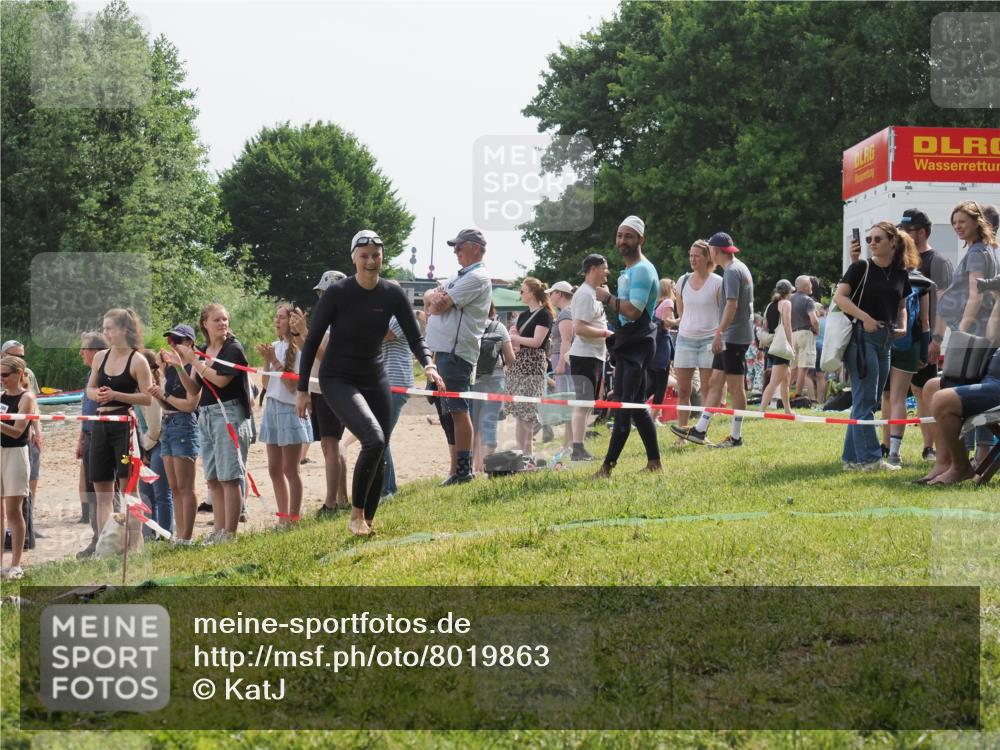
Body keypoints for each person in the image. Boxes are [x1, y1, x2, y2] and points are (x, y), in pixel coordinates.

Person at [296, 230, 444, 537]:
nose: (371, 261)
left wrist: (428, 363)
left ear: (382, 257)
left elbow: (415, 337)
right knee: (373, 438)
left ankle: (367, 522)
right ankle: (356, 516)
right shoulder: (338, 293)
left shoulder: (392, 294)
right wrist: (302, 390)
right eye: (364, 256)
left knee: (380, 446)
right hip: (338, 377)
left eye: (376, 255)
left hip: (374, 376)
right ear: (354, 259)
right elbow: (311, 342)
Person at [834, 222, 916, 471]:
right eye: (869, 239)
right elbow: (839, 297)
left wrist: (903, 326)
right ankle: (870, 459)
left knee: (866, 401)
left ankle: (851, 460)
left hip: (886, 340)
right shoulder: (861, 267)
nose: (872, 243)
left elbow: (902, 307)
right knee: (866, 400)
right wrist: (865, 318)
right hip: (862, 338)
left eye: (878, 239)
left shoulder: (901, 273)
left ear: (893, 242)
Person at [174, 304, 254, 544]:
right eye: (217, 320)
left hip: (228, 413)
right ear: (205, 324)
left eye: (225, 319)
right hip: (206, 415)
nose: (223, 323)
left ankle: (229, 534)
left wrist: (195, 361)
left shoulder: (233, 348)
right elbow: (193, 389)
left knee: (230, 477)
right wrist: (180, 366)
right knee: (214, 478)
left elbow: (220, 381)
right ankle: (218, 531)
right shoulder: (202, 350)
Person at [593, 215, 662, 476]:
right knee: (636, 406)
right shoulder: (629, 271)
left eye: (629, 236)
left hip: (637, 343)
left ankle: (607, 466)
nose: (622, 240)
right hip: (630, 342)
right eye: (620, 235)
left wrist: (607, 298)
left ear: (641, 239)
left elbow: (633, 311)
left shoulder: (642, 270)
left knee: (624, 405)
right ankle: (655, 463)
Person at [423, 228, 492, 485]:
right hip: (442, 353)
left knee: (458, 411)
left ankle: (464, 471)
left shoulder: (477, 276)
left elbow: (437, 305)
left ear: (475, 247)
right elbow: (430, 298)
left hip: (455, 353)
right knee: (446, 413)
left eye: (459, 246)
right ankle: (455, 469)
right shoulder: (459, 276)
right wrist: (434, 298)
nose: (455, 251)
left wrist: (436, 300)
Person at [672, 231, 754, 448]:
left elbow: (732, 305)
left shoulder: (731, 272)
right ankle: (700, 430)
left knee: (736, 387)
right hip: (730, 335)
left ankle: (736, 437)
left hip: (733, 336)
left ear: (715, 251)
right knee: (716, 382)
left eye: (709, 251)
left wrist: (719, 332)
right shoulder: (739, 268)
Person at [83, 308, 154, 554]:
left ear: (124, 330)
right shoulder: (100, 357)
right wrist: (98, 395)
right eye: (104, 329)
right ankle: (105, 547)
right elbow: (90, 389)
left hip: (124, 425)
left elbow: (147, 397)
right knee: (101, 491)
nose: (106, 333)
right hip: (100, 423)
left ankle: (133, 546)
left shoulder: (138, 360)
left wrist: (116, 395)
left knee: (129, 490)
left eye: (109, 329)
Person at [916, 294, 1000, 485]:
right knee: (931, 387)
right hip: (990, 378)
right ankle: (944, 462)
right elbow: (993, 336)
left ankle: (961, 467)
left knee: (942, 400)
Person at [899, 209, 953, 461]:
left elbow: (945, 304)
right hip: (905, 338)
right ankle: (924, 447)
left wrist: (936, 339)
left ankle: (933, 448)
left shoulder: (937, 261)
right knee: (913, 391)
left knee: (925, 392)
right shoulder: (903, 261)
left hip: (926, 337)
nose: (901, 234)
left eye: (906, 230)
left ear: (921, 232)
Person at [257, 302, 313, 526]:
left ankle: (294, 517)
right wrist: (267, 360)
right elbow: (265, 384)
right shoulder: (274, 346)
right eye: (276, 316)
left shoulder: (298, 349)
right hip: (272, 408)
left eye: (281, 317)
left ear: (291, 322)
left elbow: (292, 387)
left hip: (290, 409)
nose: (276, 321)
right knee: (274, 469)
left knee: (290, 469)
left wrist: (274, 360)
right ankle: (283, 518)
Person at [298, 270, 349, 514]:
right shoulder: (328, 320)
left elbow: (328, 359)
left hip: (334, 389)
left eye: (323, 293)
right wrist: (299, 334)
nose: (321, 298)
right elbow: (308, 352)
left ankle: (331, 502)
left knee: (331, 445)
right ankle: (340, 499)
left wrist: (305, 333)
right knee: (330, 446)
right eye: (320, 294)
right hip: (320, 388)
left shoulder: (343, 322)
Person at [149, 324, 201, 544]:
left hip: (184, 424)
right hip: (169, 423)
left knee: (186, 487)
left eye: (177, 340)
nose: (173, 344)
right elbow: (167, 403)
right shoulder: (171, 368)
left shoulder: (194, 366)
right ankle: (180, 536)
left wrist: (165, 396)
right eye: (170, 340)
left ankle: (186, 538)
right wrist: (158, 394)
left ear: (189, 342)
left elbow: (190, 404)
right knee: (174, 488)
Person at [670, 240, 722, 443]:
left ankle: (702, 431)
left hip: (709, 340)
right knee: (684, 390)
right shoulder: (682, 281)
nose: (692, 259)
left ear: (707, 257)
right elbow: (681, 312)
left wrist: (719, 336)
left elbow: (723, 312)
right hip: (685, 339)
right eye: (690, 255)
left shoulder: (718, 282)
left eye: (697, 255)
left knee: (707, 390)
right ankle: (682, 435)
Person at [502, 278, 555, 460]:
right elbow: (518, 340)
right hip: (519, 364)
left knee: (527, 413)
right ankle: (520, 454)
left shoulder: (544, 314)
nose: (520, 294)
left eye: (522, 291)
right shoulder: (523, 315)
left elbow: (537, 342)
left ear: (532, 293)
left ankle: (528, 455)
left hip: (533, 364)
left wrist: (514, 338)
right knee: (519, 413)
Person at [568, 254, 611, 462]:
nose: (607, 272)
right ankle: (577, 448)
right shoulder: (585, 294)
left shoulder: (594, 293)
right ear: (593, 269)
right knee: (582, 403)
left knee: (586, 404)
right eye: (604, 268)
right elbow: (579, 328)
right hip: (584, 355)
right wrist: (606, 334)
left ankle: (579, 446)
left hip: (593, 355)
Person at [1, 355, 38, 579]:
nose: (2, 379)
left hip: (16, 453)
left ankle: (16, 564)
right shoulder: (1, 396)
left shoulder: (27, 398)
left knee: (13, 511)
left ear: (19, 374)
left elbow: (17, 431)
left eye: (5, 375)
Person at [379, 280, 416, 498]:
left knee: (381, 436)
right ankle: (387, 487)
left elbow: (382, 334)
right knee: (379, 436)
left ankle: (388, 489)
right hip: (385, 382)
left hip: (397, 383)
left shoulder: (399, 316)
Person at [1, 341, 42, 519]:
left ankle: (29, 521)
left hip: (20, 441)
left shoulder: (28, 375)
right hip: (4, 443)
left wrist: (38, 431)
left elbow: (35, 406)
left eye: (21, 356)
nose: (19, 358)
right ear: (4, 354)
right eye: (15, 355)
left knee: (29, 480)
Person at [471, 303, 514, 473]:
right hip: (495, 380)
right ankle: (486, 466)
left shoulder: (468, 325)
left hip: (473, 380)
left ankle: (471, 468)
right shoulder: (499, 327)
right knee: (488, 423)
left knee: (473, 425)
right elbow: (510, 358)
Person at [136, 350, 172, 539]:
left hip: (156, 442)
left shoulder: (152, 389)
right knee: (145, 493)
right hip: (145, 444)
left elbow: (155, 426)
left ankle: (166, 534)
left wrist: (146, 449)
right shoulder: (136, 391)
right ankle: (149, 535)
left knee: (161, 492)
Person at [75, 331, 108, 538]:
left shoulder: (106, 375)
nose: (81, 353)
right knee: (91, 487)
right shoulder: (91, 375)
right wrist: (81, 440)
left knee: (102, 489)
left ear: (96, 351)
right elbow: (86, 410)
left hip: (101, 435)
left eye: (84, 349)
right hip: (88, 434)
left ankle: (106, 537)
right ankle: (97, 537)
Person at [758, 280, 795, 415]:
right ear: (788, 292)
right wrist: (791, 345)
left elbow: (765, 326)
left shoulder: (770, 305)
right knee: (774, 382)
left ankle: (787, 410)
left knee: (786, 378)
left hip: (771, 346)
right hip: (781, 346)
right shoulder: (786, 303)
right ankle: (761, 410)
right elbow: (787, 325)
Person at [548, 280, 577, 452]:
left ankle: (569, 444)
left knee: (568, 403)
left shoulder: (566, 312)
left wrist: (560, 364)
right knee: (568, 403)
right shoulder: (568, 311)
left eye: (551, 293)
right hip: (562, 356)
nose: (550, 297)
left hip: (562, 358)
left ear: (559, 293)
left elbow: (567, 340)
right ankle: (568, 443)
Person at [648, 278, 678, 411]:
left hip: (654, 345)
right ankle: (650, 416)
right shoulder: (668, 302)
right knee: (661, 385)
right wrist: (680, 320)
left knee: (653, 384)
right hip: (662, 345)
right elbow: (667, 322)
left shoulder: (656, 305)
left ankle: (637, 409)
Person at [790, 275, 819, 402]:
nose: (812, 286)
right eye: (810, 284)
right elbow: (814, 320)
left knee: (793, 368)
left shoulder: (789, 299)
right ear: (806, 286)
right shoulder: (808, 300)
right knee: (803, 368)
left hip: (792, 334)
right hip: (805, 333)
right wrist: (816, 330)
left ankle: (784, 393)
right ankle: (798, 395)